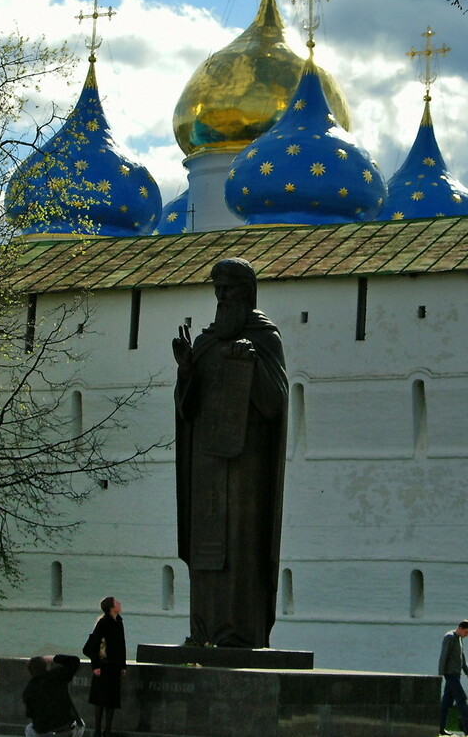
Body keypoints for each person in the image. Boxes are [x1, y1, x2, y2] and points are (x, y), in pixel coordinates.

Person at [172, 257, 288, 649]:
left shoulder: (264, 339)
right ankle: (204, 630)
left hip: (245, 467)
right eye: (217, 289)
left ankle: (238, 632)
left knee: (239, 546)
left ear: (247, 291)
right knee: (205, 547)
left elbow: (275, 403)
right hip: (206, 464)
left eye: (229, 289)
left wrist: (250, 366)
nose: (221, 296)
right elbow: (186, 410)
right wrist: (187, 372)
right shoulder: (205, 343)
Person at [84, 597, 126, 737]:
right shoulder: (103, 622)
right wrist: (95, 666)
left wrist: (122, 665)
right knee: (100, 699)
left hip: (114, 666)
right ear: (111, 607)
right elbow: (94, 644)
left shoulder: (119, 621)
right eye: (117, 603)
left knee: (111, 700)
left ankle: (108, 730)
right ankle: (97, 730)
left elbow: (121, 645)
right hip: (103, 666)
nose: (119, 604)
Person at [22, 653, 82, 737]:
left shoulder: (28, 690)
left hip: (44, 731)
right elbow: (74, 661)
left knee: (29, 729)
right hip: (66, 728)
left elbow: (30, 714)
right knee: (81, 723)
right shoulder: (57, 675)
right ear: (47, 667)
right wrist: (53, 658)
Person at [438, 619, 468, 737]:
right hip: (450, 674)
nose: (466, 635)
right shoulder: (450, 637)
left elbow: (462, 658)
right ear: (461, 628)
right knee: (461, 699)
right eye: (466, 632)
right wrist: (441, 673)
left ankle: (440, 728)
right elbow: (444, 655)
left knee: (446, 703)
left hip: (456, 674)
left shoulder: (459, 640)